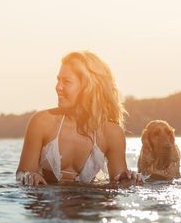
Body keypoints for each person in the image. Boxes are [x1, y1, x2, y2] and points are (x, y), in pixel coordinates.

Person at [16, 51, 140, 186]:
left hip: (89, 204)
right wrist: (29, 176)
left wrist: (128, 179)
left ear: (88, 87)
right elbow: (21, 174)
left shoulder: (112, 133)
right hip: (46, 204)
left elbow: (118, 186)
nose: (58, 87)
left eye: (66, 82)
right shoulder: (41, 122)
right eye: (58, 80)